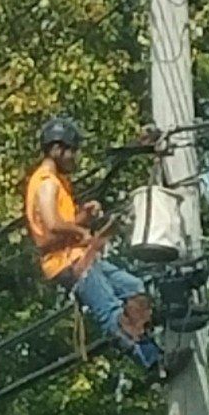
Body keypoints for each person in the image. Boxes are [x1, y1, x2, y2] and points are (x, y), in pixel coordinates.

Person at [24, 116, 190, 378]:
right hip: (67, 264)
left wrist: (83, 216)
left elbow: (62, 224)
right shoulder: (45, 182)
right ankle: (155, 365)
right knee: (111, 312)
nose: (75, 158)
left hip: (82, 257)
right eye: (72, 151)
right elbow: (53, 226)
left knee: (135, 288)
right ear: (57, 149)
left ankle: (151, 323)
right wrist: (83, 232)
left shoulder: (60, 183)